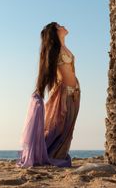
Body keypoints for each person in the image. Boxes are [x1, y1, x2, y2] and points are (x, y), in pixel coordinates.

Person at [16, 22, 81, 168]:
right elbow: (46, 71)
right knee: (56, 126)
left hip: (75, 92)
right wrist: (39, 90)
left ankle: (57, 155)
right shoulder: (54, 50)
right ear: (55, 31)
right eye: (60, 25)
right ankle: (43, 154)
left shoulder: (64, 47)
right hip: (63, 92)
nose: (64, 26)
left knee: (68, 128)